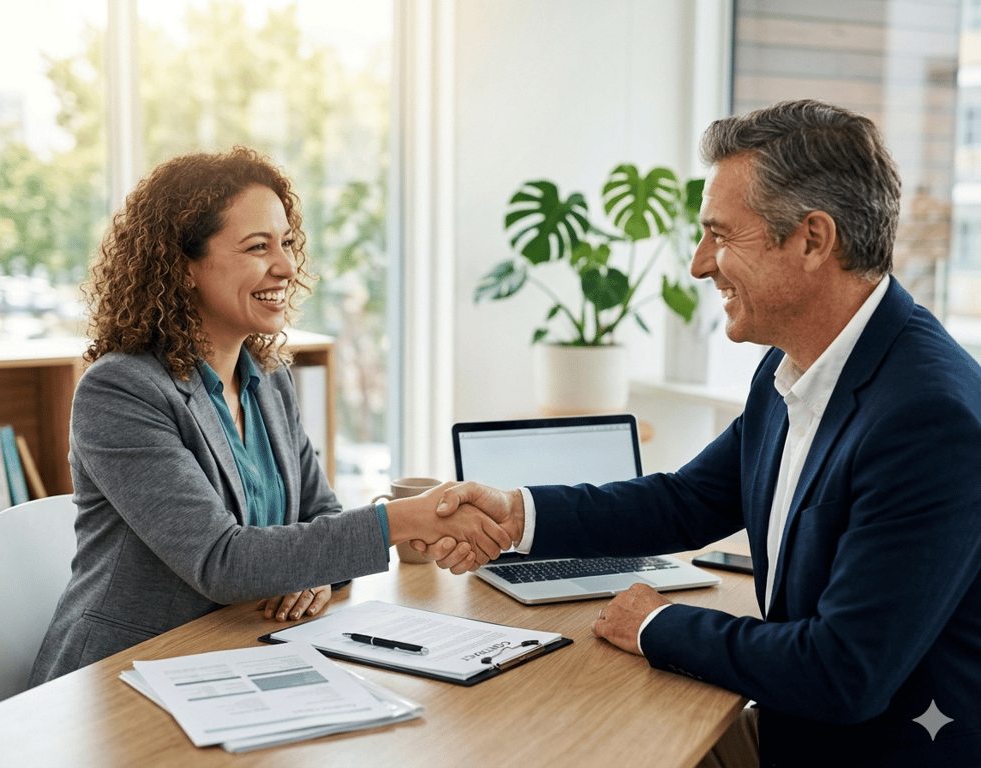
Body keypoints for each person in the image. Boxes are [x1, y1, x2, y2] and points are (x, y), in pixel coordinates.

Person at [418, 101, 981, 767]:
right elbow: (685, 501)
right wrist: (516, 515)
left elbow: (843, 671)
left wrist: (658, 623)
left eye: (721, 235)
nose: (699, 264)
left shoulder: (929, 418)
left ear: (811, 240)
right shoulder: (795, 362)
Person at [29, 147, 509, 686]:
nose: (285, 266)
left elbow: (320, 516)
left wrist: (313, 568)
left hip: (237, 658)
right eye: (258, 247)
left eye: (286, 243)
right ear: (183, 266)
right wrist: (406, 519)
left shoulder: (269, 378)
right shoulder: (122, 391)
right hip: (121, 675)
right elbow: (222, 561)